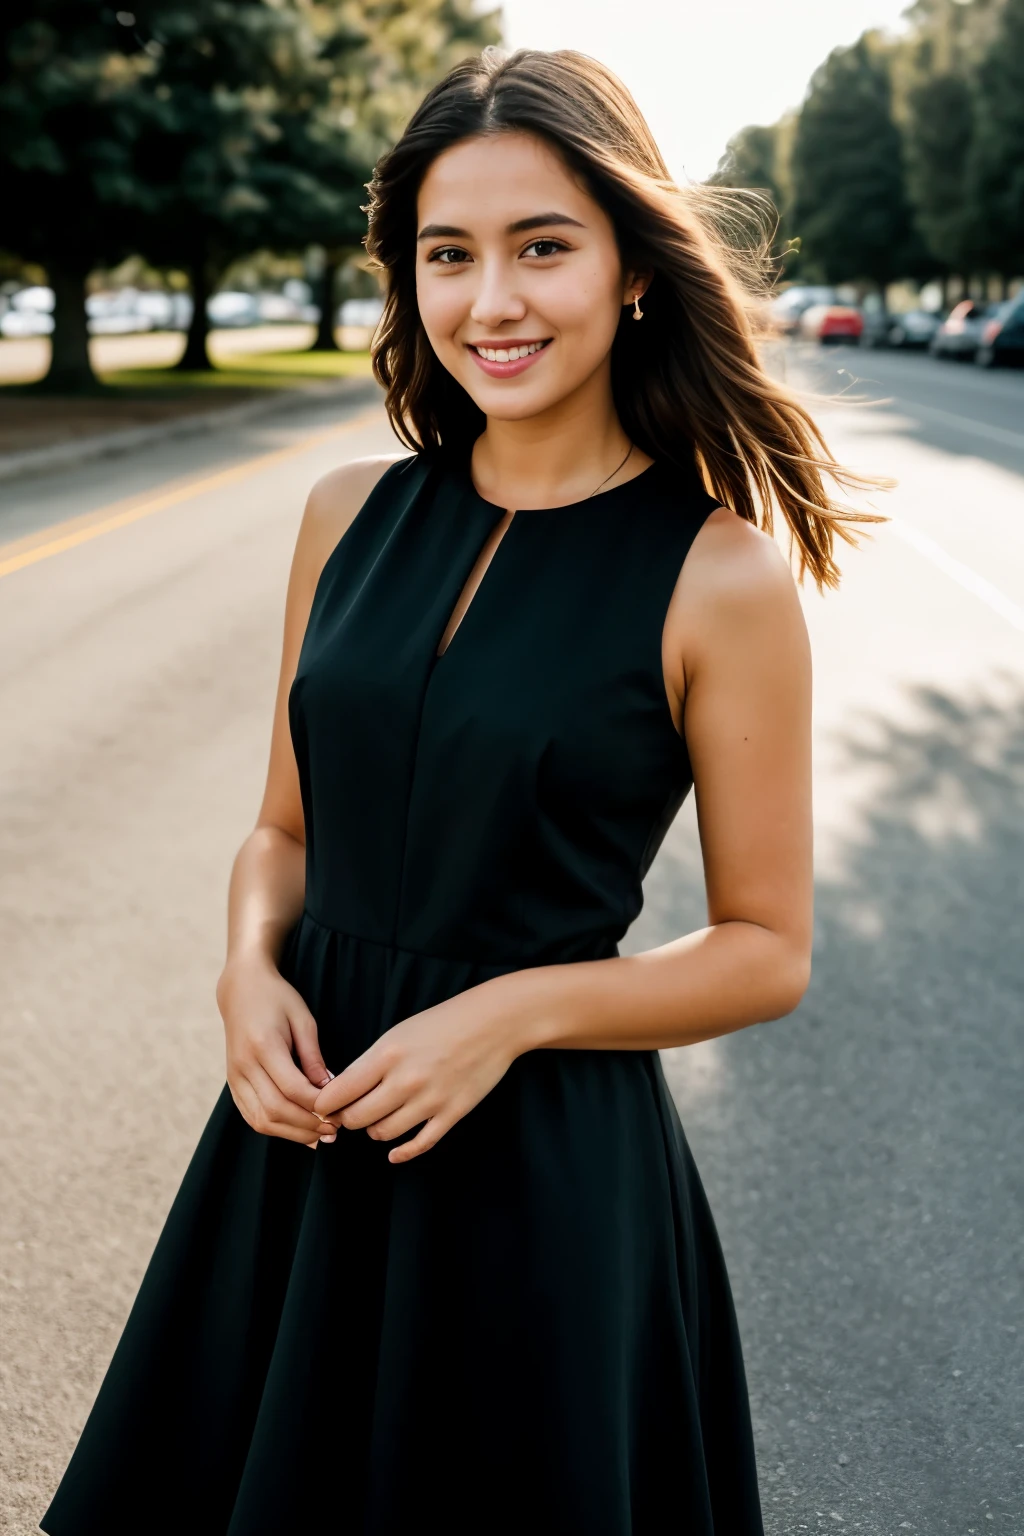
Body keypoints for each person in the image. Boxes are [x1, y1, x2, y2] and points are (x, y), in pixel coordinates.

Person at [41, 45, 880, 1536]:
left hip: (539, 1184)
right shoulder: (343, 517)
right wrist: (244, 972)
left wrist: (508, 1011)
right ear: (409, 279)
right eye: (449, 254)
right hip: (294, 1150)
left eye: (542, 247)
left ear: (631, 268)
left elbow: (769, 948)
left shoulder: (719, 575)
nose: (491, 301)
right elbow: (284, 829)